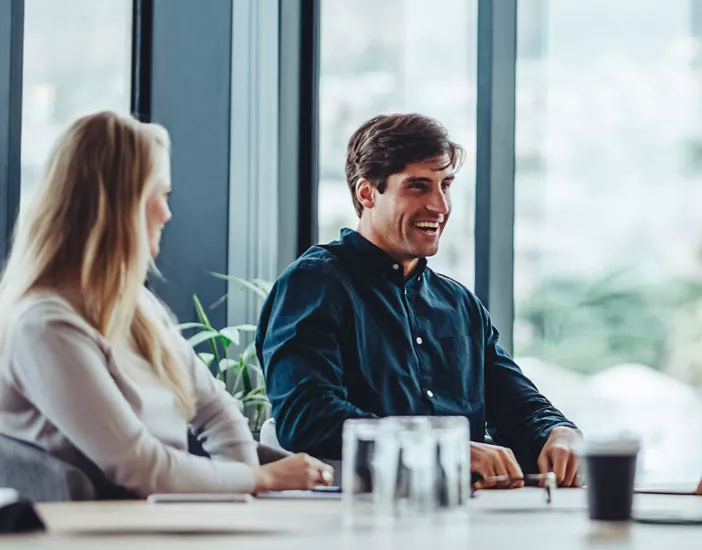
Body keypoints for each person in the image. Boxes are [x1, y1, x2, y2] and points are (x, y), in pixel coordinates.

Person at [0, 111, 331, 497]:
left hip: (159, 517)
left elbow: (215, 410)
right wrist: (260, 479)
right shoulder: (45, 327)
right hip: (97, 532)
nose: (168, 213)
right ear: (120, 207)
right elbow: (137, 465)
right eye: (161, 195)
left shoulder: (136, 306)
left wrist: (241, 490)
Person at [256, 113, 581, 488]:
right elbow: (308, 418)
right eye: (418, 187)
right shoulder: (313, 284)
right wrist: (444, 448)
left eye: (446, 185)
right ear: (367, 193)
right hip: (356, 520)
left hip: (469, 516)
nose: (440, 206)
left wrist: (558, 431)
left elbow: (517, 405)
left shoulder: (459, 304)